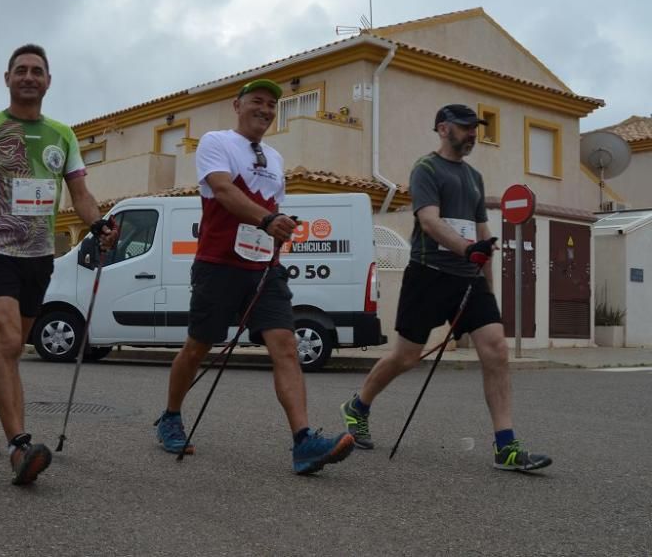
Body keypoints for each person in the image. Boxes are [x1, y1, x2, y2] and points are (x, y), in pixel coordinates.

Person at [0, 43, 118, 486]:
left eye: (38, 71)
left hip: (39, 255)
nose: (29, 77)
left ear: (49, 81)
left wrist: (99, 225)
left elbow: (80, 194)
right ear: (7, 78)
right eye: (21, 70)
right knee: (10, 339)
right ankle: (20, 446)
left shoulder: (63, 135)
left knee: (10, 348)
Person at [154, 78, 355, 475]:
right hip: (218, 264)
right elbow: (224, 192)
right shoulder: (216, 142)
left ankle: (304, 443)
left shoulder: (276, 159)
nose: (265, 109)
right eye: (257, 102)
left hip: (264, 267)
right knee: (197, 347)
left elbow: (272, 208)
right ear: (237, 105)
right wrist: (268, 219)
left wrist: (279, 226)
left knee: (285, 346)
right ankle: (171, 416)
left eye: (271, 105)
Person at [339, 104, 552, 471]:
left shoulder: (474, 177)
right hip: (429, 273)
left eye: (476, 128)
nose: (473, 133)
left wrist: (487, 283)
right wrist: (468, 250)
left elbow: (483, 232)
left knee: (496, 349)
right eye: (465, 127)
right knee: (406, 356)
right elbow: (429, 221)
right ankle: (357, 406)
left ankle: (506, 446)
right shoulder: (427, 169)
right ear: (442, 129)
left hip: (468, 277)